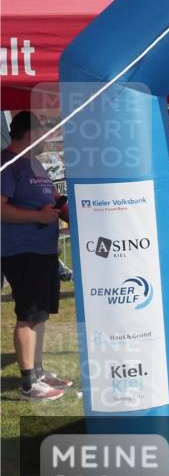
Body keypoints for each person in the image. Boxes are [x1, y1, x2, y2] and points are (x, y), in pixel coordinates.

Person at [1, 111, 73, 400]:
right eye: (43, 132)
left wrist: (65, 210)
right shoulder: (7, 164)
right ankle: (29, 383)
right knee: (28, 315)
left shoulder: (36, 165)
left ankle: (39, 372)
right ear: (30, 134)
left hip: (44, 251)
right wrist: (37, 215)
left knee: (39, 315)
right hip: (22, 251)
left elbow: (52, 200)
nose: (47, 138)